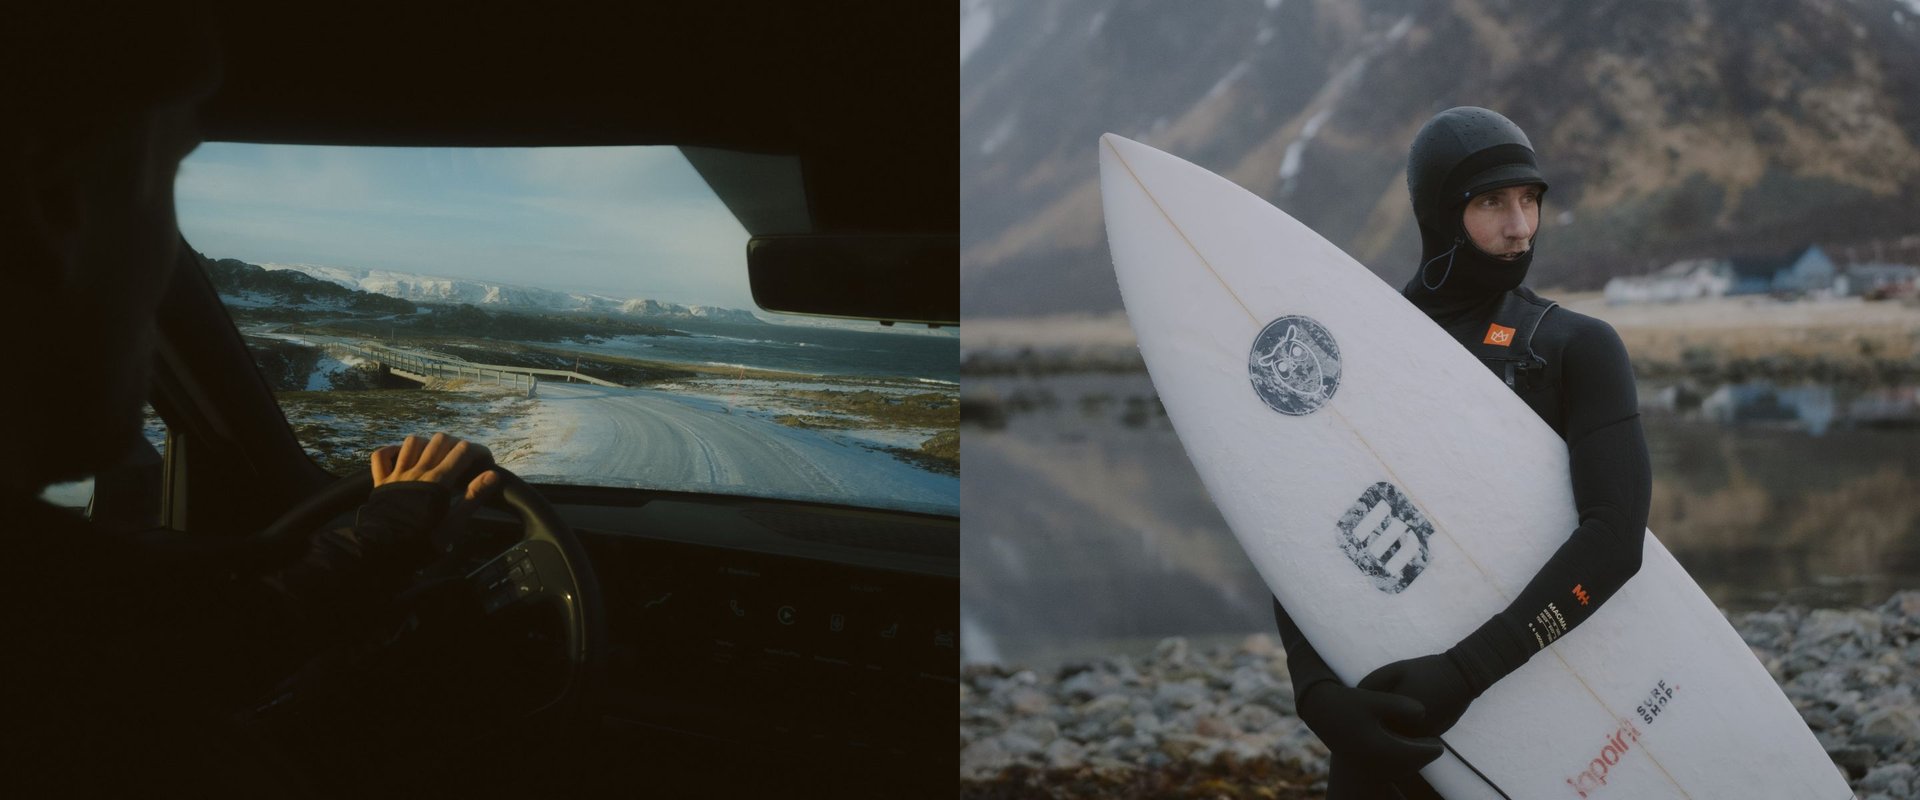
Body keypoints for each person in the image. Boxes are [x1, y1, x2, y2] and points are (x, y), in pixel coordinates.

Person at [2, 5, 506, 795]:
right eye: (165, 175)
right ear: (50, 200)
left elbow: (164, 654)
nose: (169, 260)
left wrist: (369, 550)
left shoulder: (41, 617)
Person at [1272, 107, 1652, 799]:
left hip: (1531, 699)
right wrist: (1319, 693)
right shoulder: (1360, 350)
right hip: (1385, 714)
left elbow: (1615, 541)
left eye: (1529, 199)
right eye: (1491, 203)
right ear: (1442, 214)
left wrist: (1466, 673)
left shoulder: (1574, 349)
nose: (1520, 227)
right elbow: (1302, 532)